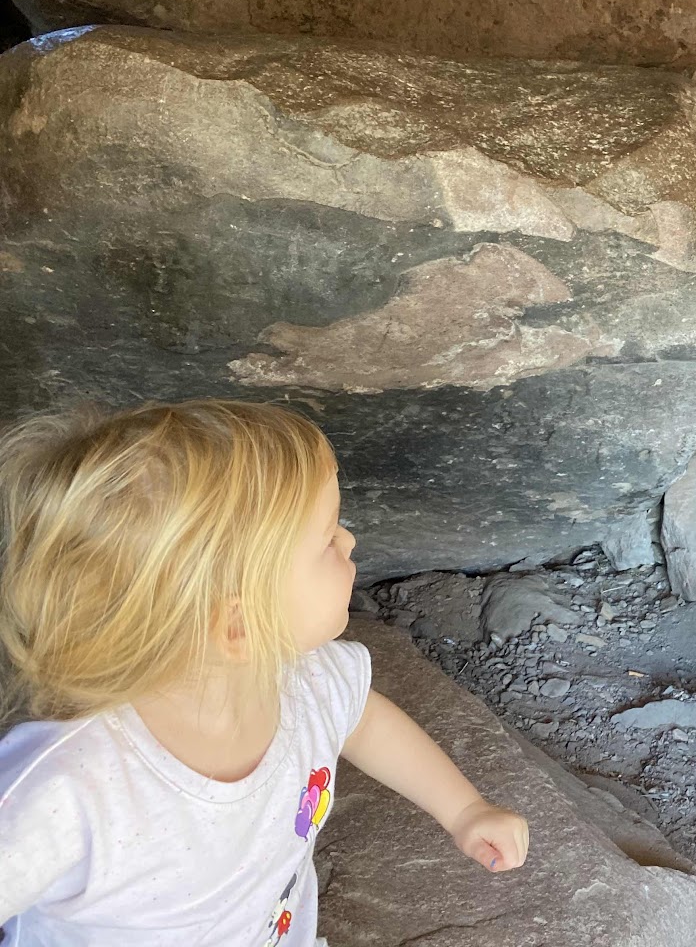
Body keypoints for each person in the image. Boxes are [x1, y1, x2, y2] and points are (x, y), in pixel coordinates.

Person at [0, 399, 531, 944]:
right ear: (237, 625)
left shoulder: (305, 680)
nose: (350, 541)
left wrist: (464, 809)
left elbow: (364, 722)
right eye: (327, 539)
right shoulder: (64, 785)